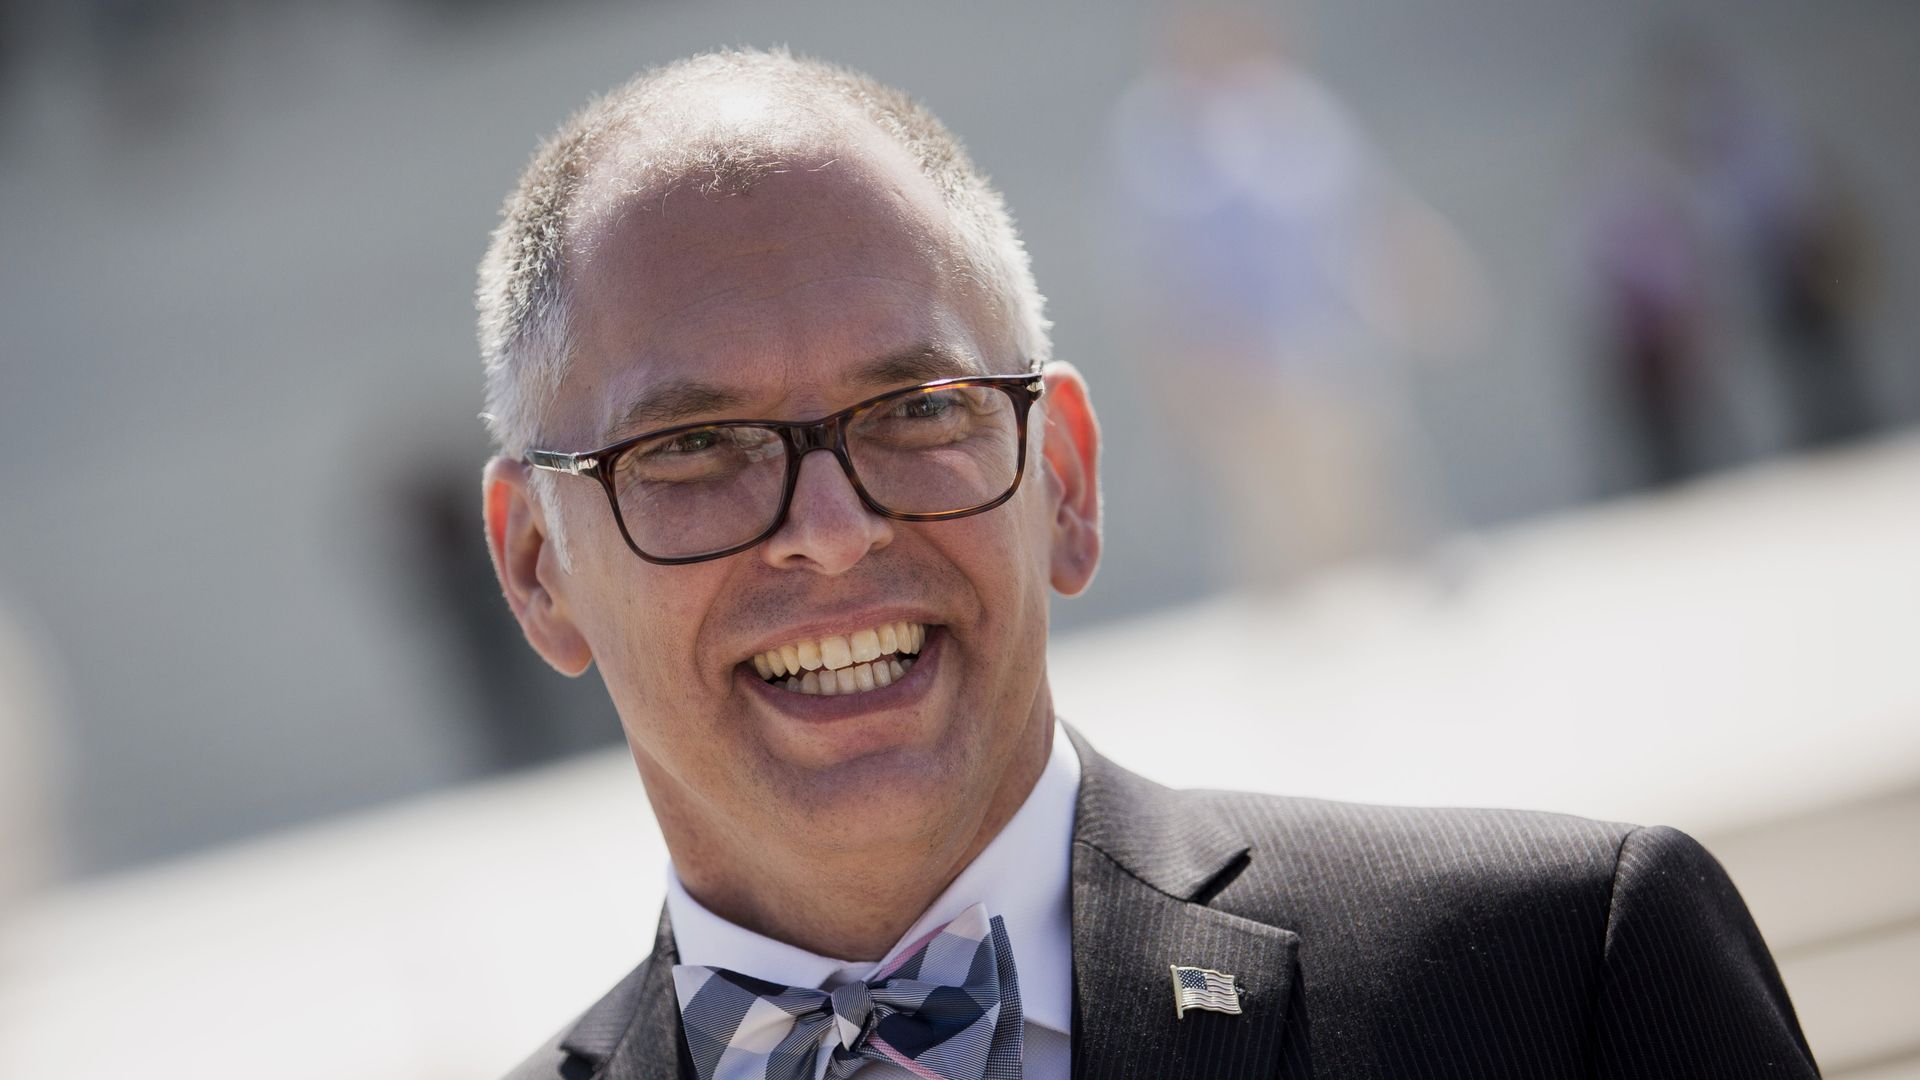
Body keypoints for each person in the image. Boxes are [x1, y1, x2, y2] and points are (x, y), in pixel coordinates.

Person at [477, 48, 1816, 1079]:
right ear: (537, 565)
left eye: (919, 411)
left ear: (1062, 477)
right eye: (698, 446)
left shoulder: (1559, 985)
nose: (829, 529)